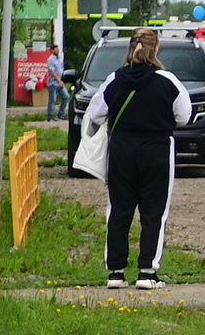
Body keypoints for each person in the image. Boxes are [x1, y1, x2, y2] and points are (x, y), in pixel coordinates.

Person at [82, 28, 191, 288]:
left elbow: (96, 114)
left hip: (121, 150)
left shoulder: (114, 80)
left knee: (119, 210)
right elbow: (184, 115)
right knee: (154, 211)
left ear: (129, 48)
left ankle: (116, 272)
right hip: (157, 148)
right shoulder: (168, 81)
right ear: (157, 49)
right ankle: (147, 272)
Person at [43, 43, 66, 121]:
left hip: (60, 82)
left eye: (58, 49)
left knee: (66, 97)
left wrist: (62, 80)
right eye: (56, 49)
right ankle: (50, 116)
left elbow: (61, 70)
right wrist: (59, 81)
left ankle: (61, 114)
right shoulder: (50, 60)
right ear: (52, 50)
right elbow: (52, 71)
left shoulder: (59, 59)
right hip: (53, 83)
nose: (58, 50)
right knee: (53, 100)